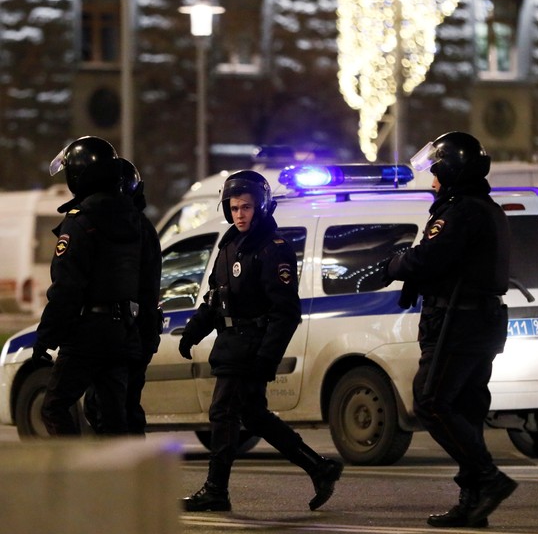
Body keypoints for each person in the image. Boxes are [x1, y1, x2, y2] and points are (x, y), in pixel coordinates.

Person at [179, 170, 342, 512]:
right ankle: (320, 467)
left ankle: (215, 490)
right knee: (253, 415)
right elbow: (215, 298)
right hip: (231, 343)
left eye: (247, 207)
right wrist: (194, 331)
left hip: (251, 348)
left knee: (223, 413)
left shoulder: (272, 249)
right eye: (234, 207)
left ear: (262, 208)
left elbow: (286, 312)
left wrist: (267, 358)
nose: (239, 214)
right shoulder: (229, 244)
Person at [382, 131, 516, 528]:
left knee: (430, 401)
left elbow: (429, 259)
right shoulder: (486, 209)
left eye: (436, 172)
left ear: (451, 171)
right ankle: (473, 501)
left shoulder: (460, 211)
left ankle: (488, 480)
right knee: (465, 409)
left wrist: (396, 262)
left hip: (458, 323)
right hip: (480, 322)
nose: (433, 180)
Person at [35, 136, 144, 435]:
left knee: (54, 406)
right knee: (113, 420)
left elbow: (67, 288)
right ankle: (123, 481)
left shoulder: (81, 220)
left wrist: (46, 337)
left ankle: (75, 478)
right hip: (121, 331)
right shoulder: (131, 218)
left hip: (86, 333)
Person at [83, 159, 163, 435]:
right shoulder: (138, 225)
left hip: (131, 329)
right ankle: (133, 472)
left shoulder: (131, 227)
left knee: (113, 410)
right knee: (122, 408)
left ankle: (130, 474)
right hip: (138, 329)